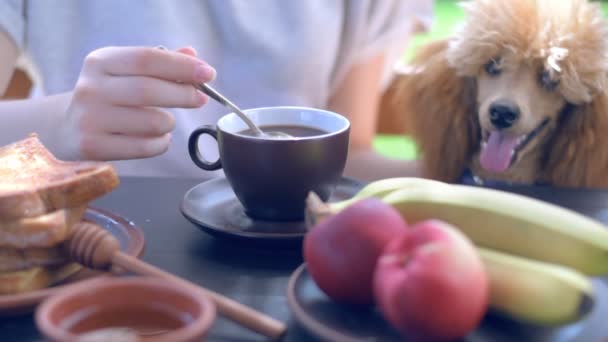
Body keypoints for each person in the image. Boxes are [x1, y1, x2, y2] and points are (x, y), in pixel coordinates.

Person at [0, 0, 433, 181]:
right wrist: (59, 122)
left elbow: (348, 154)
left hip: (287, 263)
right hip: (83, 240)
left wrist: (465, 177)